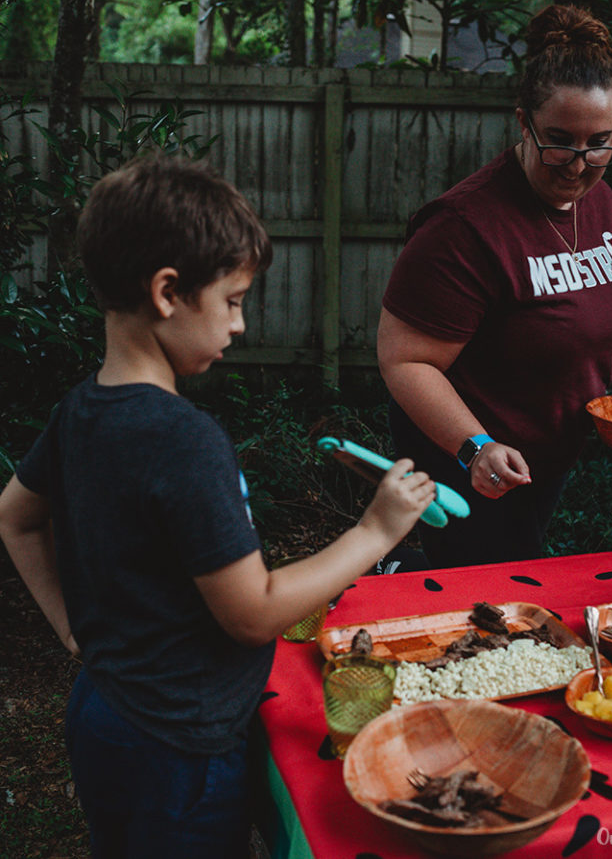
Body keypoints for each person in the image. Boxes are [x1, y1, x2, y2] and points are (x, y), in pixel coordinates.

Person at [0, 155, 435, 859]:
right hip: (179, 745)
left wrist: (74, 631)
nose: (237, 324)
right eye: (232, 300)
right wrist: (373, 531)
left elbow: (13, 515)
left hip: (104, 713)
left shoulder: (79, 412)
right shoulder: (184, 440)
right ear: (169, 292)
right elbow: (253, 610)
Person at [377, 3, 612, 569]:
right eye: (559, 140)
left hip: (548, 453)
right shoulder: (464, 227)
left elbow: (599, 308)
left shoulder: (597, 199)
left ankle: (402, 569)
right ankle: (387, 572)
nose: (579, 165)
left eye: (600, 143)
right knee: (487, 595)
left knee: (511, 571)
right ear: (523, 123)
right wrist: (475, 446)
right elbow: (405, 361)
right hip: (467, 452)